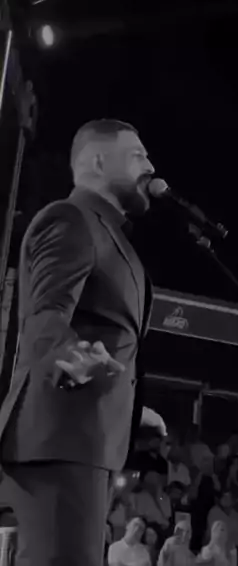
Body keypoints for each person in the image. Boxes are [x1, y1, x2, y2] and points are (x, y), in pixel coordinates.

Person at [0, 120, 167, 566]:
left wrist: (131, 409)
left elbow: (106, 334)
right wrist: (69, 354)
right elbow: (46, 312)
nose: (150, 166)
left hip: (87, 443)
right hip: (58, 443)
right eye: (137, 155)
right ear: (97, 161)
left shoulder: (109, 234)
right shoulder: (70, 219)